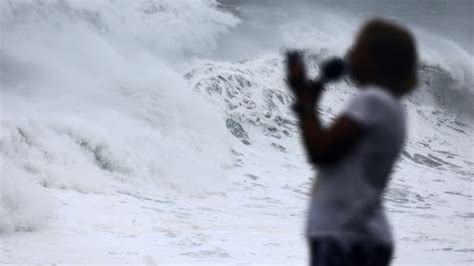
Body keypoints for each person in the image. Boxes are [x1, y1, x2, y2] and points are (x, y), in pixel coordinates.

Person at [286, 19, 418, 266]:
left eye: (357, 48)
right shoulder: (393, 107)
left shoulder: (371, 100)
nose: (350, 53)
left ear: (376, 59)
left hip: (345, 236)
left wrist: (305, 104)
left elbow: (320, 151)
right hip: (361, 233)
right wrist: (309, 105)